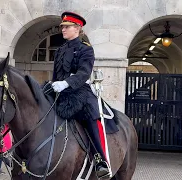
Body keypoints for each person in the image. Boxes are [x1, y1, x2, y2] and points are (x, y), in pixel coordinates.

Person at [50, 11, 111, 179]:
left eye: (67, 27)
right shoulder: (60, 50)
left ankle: (100, 160)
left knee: (90, 115)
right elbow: (56, 74)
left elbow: (84, 73)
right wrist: (54, 84)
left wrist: (67, 83)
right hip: (60, 90)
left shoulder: (86, 50)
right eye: (62, 27)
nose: (63, 29)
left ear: (77, 28)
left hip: (79, 90)